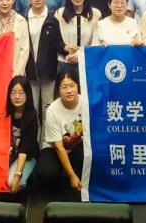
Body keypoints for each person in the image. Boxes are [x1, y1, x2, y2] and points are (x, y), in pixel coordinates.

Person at [36, 71, 85, 199]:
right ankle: (63, 178)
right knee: (45, 173)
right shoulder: (52, 110)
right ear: (58, 89)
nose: (69, 91)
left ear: (78, 86)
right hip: (54, 149)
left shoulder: (86, 102)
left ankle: (73, 175)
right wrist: (72, 175)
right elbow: (59, 148)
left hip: (76, 147)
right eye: (64, 87)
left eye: (72, 85)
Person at [25, 0, 61, 119]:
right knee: (32, 107)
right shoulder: (23, 19)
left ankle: (47, 133)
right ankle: (34, 133)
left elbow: (59, 43)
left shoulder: (53, 19)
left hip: (48, 71)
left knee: (48, 107)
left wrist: (66, 48)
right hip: (29, 70)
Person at [2, 76, 39, 196]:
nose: (16, 97)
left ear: (27, 94)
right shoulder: (5, 112)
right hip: (8, 153)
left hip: (27, 156)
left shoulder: (31, 115)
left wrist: (18, 175)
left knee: (11, 183)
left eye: (21, 93)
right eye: (13, 93)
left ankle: (26, 183)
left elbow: (24, 149)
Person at [56, 0, 100, 76]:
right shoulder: (59, 13)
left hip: (87, 62)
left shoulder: (95, 14)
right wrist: (65, 47)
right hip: (64, 63)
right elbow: (55, 39)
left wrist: (81, 54)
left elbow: (97, 41)